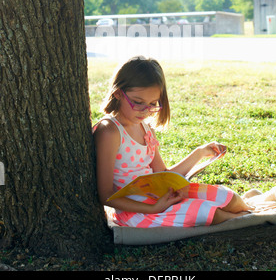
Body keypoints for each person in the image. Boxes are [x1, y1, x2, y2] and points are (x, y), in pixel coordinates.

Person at [93, 55, 252, 228]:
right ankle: (246, 220)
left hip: (158, 197)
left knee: (228, 197)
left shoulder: (145, 128)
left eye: (153, 104)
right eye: (138, 103)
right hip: (137, 211)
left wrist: (200, 153)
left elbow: (164, 174)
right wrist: (154, 208)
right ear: (118, 93)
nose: (145, 111)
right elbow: (106, 195)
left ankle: (246, 215)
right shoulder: (110, 131)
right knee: (207, 212)